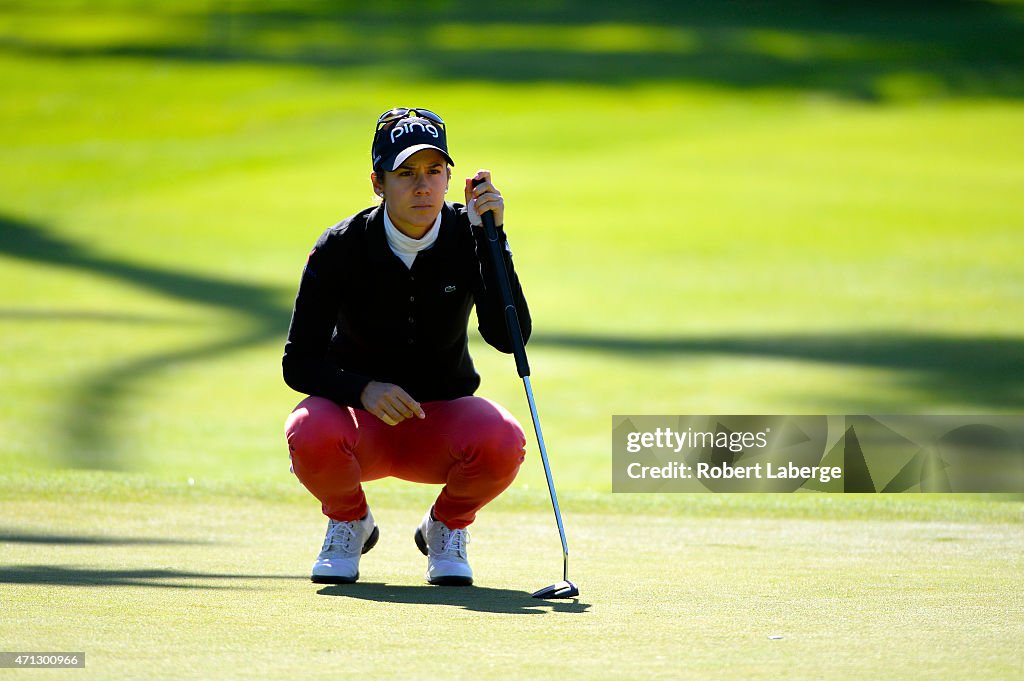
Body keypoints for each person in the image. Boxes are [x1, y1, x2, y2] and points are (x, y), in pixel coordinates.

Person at [282, 107, 531, 586]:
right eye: (406, 173)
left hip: (441, 426)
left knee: (503, 440)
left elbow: (509, 337)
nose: (423, 187)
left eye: (434, 171)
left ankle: (445, 529)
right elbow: (299, 362)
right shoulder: (340, 246)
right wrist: (363, 390)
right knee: (307, 429)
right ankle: (349, 522)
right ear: (378, 182)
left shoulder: (470, 235)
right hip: (360, 427)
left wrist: (492, 241)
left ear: (449, 178)